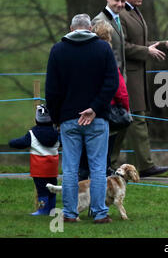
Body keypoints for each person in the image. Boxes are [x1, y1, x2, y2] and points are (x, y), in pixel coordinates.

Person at [45, 13, 119, 223]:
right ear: (90, 29)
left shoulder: (58, 50)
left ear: (71, 28)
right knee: (97, 168)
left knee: (69, 168)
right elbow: (111, 83)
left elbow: (52, 90)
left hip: (68, 118)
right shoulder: (103, 49)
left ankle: (69, 213)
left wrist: (57, 117)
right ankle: (99, 213)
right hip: (97, 119)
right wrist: (95, 108)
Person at [118, 0, 168, 177]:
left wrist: (165, 45)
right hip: (126, 77)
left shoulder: (135, 13)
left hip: (137, 76)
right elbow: (121, 46)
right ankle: (144, 166)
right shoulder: (121, 15)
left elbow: (142, 43)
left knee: (127, 123)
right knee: (134, 121)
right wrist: (146, 51)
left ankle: (124, 167)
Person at [78, 19, 131, 181]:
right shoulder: (107, 55)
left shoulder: (81, 54)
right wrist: (126, 108)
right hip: (105, 112)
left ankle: (81, 186)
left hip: (81, 111)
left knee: (83, 156)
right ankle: (101, 193)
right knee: (103, 156)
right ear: (109, 37)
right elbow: (119, 88)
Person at [9, 104, 60, 215]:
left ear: (37, 119)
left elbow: (20, 143)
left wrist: (11, 142)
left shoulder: (32, 134)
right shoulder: (57, 134)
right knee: (53, 189)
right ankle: (52, 209)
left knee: (42, 190)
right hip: (52, 168)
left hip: (39, 168)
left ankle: (42, 210)